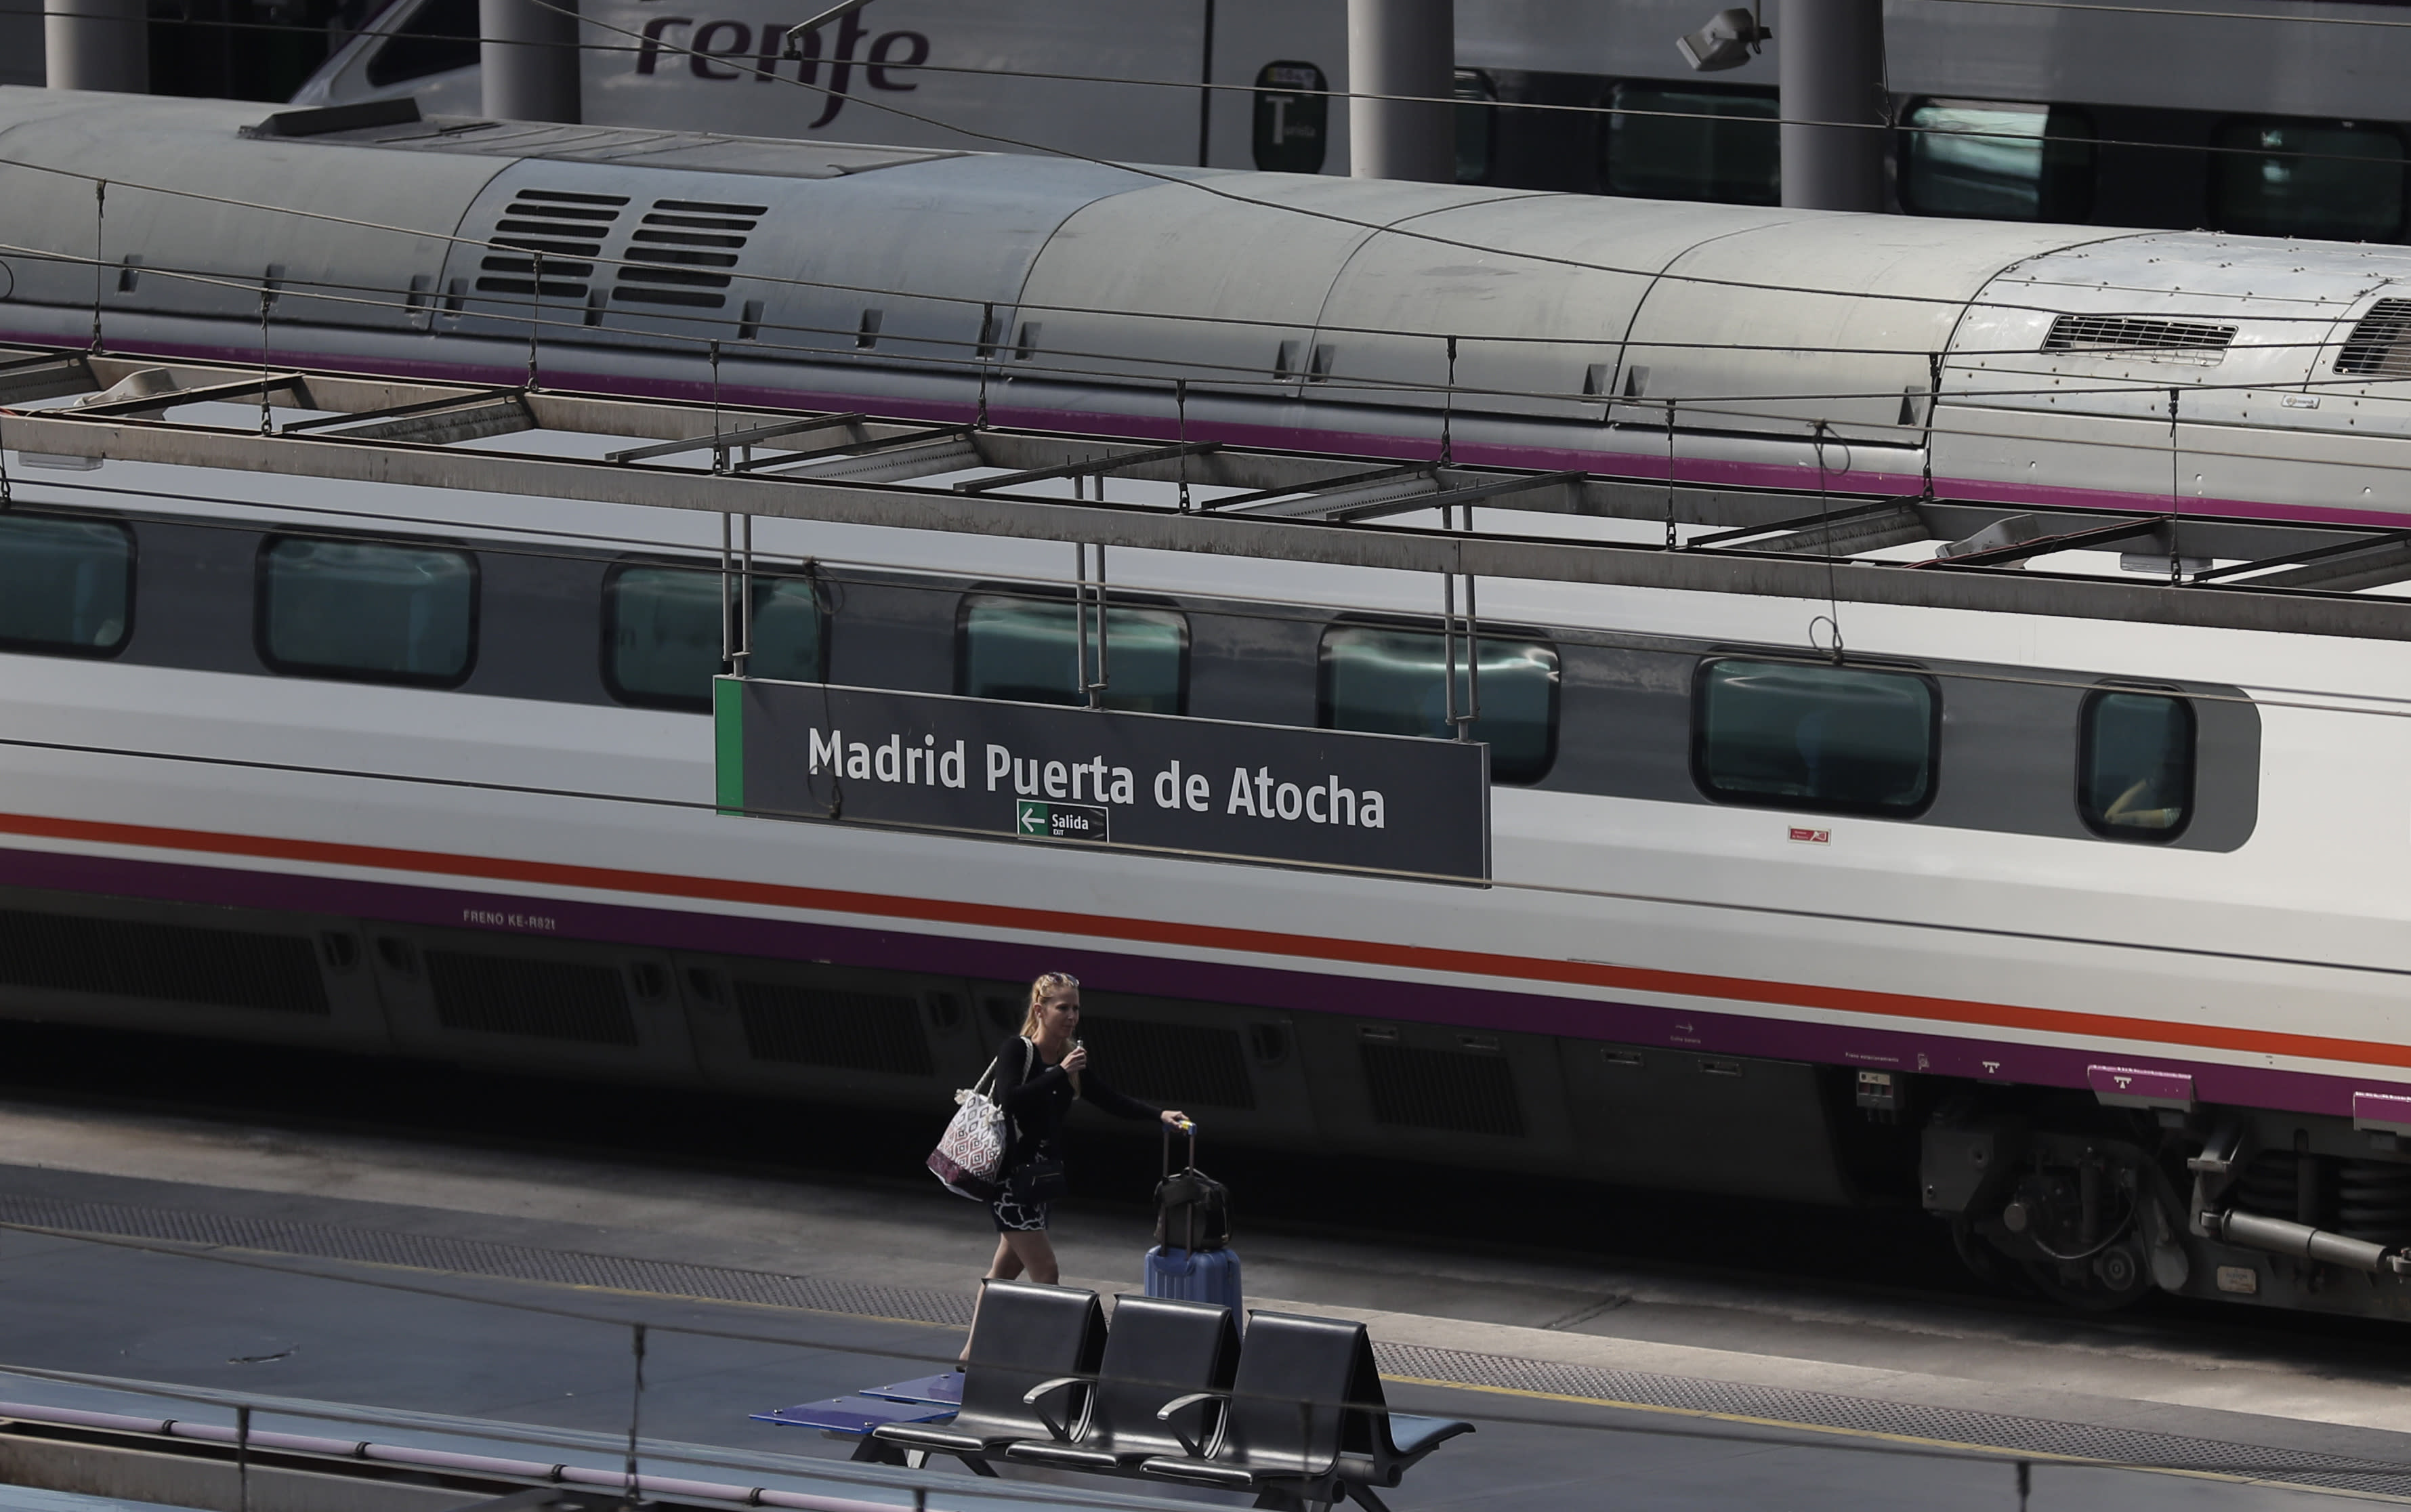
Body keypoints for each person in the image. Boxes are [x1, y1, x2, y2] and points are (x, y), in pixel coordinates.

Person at [961, 971, 1186, 1359]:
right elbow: (1011, 1099)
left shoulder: (1070, 1057)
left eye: (1076, 1008)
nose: (1071, 1016)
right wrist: (1059, 1073)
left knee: (1003, 1272)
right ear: (1040, 1009)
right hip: (1011, 1182)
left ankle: (971, 1352)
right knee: (1046, 1272)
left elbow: (1109, 1099)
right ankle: (1046, 1352)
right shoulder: (1018, 1049)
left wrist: (1158, 1114)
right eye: (1062, 1007)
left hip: (1039, 1181)